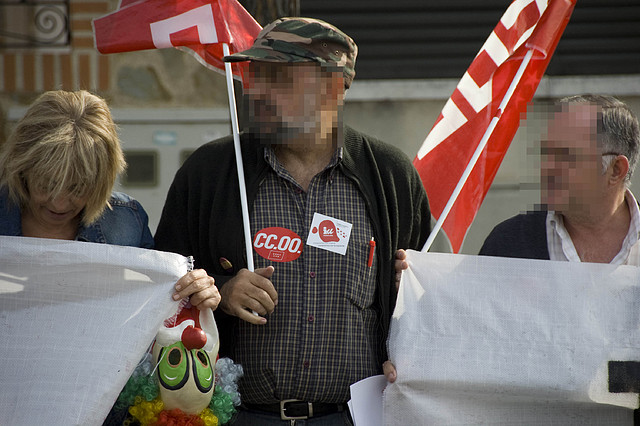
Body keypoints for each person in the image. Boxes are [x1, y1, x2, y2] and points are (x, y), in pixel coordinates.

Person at [155, 17, 431, 425]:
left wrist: (408, 305)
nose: (257, 92)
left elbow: (428, 308)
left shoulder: (389, 176)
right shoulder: (211, 173)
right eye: (255, 76)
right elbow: (159, 290)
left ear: (333, 88)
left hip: (352, 418)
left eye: (278, 78)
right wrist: (221, 293)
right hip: (237, 416)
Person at [0, 90, 221, 422]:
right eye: (46, 184)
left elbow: (156, 323)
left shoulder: (125, 221)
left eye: (78, 188)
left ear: (103, 180)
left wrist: (194, 294)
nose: (60, 203)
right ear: (22, 167)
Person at [479, 94, 640, 264]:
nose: (548, 167)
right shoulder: (507, 244)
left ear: (616, 170)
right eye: (546, 154)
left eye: (566, 156)